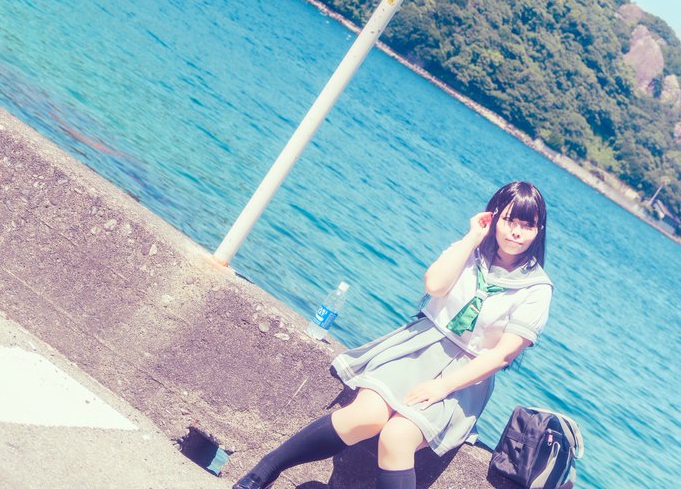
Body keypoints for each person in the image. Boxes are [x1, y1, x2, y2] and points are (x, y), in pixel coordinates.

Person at [233, 180, 554, 489]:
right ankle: (265, 470)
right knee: (366, 416)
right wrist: (472, 238)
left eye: (527, 225)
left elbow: (502, 355)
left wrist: (443, 386)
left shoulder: (537, 288)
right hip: (418, 346)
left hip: (465, 377)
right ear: (493, 216)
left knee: (397, 436)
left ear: (538, 230)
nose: (515, 232)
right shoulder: (470, 251)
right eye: (509, 220)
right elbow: (434, 285)